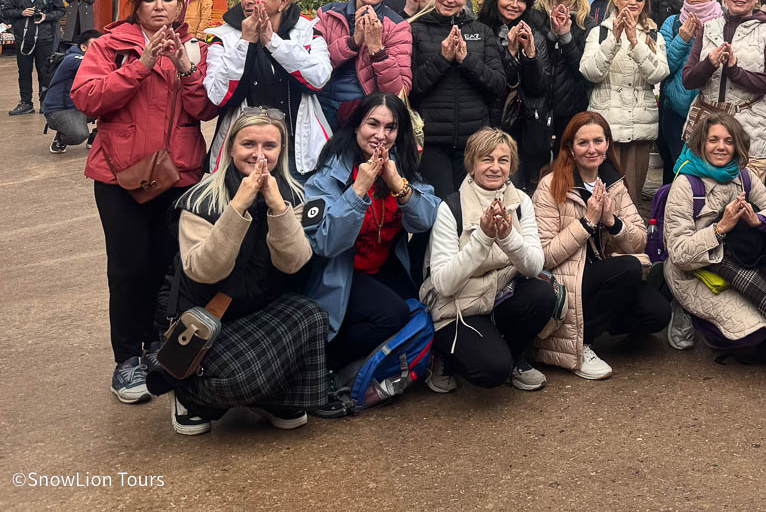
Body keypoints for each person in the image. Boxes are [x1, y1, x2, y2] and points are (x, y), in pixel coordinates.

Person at [70, 0, 217, 404]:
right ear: (136, 4)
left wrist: (186, 68)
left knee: (168, 266)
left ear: (179, 5)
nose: (159, 6)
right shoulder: (110, 46)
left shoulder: (195, 48)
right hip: (120, 175)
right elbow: (88, 98)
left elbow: (205, 109)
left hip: (178, 175)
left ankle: (158, 347)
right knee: (128, 268)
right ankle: (127, 358)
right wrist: (143, 65)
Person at [158, 109, 328, 435]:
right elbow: (205, 271)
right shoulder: (199, 199)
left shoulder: (293, 195)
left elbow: (293, 262)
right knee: (239, 377)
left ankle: (273, 398)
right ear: (231, 147)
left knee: (312, 316)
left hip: (260, 307)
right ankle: (190, 395)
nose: (259, 155)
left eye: (269, 146)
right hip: (207, 315)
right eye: (249, 144)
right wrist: (238, 206)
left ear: (282, 151)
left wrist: (277, 207)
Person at [305, 93, 440, 371]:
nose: (381, 135)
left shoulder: (398, 166)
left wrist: (398, 185)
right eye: (373, 124)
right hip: (342, 272)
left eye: (390, 127)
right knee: (394, 316)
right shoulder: (330, 174)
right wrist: (358, 189)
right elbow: (326, 243)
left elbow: (427, 219)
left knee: (423, 311)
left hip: (383, 266)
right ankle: (327, 361)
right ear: (357, 126)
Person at [533, 112, 669, 380]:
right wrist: (586, 223)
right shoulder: (551, 185)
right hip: (566, 278)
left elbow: (639, 240)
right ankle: (581, 344)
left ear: (607, 145)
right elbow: (544, 256)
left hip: (602, 274)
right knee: (628, 268)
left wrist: (612, 222)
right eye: (583, 143)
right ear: (570, 148)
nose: (592, 149)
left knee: (657, 312)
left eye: (598, 141)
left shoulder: (613, 182)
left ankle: (588, 325)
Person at [421, 126, 553, 392]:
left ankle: (514, 356)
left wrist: (508, 237)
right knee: (492, 370)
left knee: (542, 293)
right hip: (459, 308)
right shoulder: (451, 207)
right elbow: (443, 283)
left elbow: (534, 265)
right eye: (486, 159)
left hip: (498, 298)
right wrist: (482, 238)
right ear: (472, 166)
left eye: (503, 160)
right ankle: (444, 356)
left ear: (512, 166)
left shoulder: (521, 202)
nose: (495, 167)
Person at [663, 113, 766, 355]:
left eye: (728, 141)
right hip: (696, 269)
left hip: (736, 261)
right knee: (754, 337)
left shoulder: (743, 175)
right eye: (713, 140)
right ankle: (694, 317)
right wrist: (719, 229)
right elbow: (679, 253)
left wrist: (758, 220)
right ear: (701, 143)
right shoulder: (685, 184)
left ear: (737, 145)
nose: (721, 147)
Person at [205, 0, 331, 176]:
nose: (248, 0)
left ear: (283, 2)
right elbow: (218, 95)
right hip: (245, 151)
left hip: (296, 150)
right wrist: (245, 43)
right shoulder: (223, 37)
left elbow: (318, 79)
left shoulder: (308, 32)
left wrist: (274, 43)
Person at [407, 0, 508, 199]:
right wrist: (442, 59)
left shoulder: (481, 32)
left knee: (470, 208)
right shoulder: (416, 29)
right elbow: (411, 88)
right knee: (440, 207)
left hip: (474, 141)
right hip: (432, 140)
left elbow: (498, 85)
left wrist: (466, 60)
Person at [682, 0, 766, 181]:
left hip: (750, 131)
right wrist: (709, 64)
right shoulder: (708, 28)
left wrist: (735, 72)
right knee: (700, 194)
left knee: (745, 194)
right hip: (707, 129)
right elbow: (688, 80)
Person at [579, 0, 670, 207]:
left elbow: (658, 74)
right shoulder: (599, 33)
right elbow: (590, 72)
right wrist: (615, 39)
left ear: (644, 3)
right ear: (616, 0)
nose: (632, 1)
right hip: (605, 124)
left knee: (632, 196)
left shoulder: (654, 35)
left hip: (640, 124)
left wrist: (635, 43)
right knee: (602, 194)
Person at [313, 0, 412, 134]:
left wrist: (377, 50)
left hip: (366, 114)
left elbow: (399, 91)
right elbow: (313, 67)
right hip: (320, 107)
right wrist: (353, 42)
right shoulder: (328, 14)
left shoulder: (397, 26)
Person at [478, 0, 548, 183]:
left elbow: (538, 87)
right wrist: (510, 52)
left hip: (520, 124)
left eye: (521, 0)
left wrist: (530, 55)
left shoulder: (535, 34)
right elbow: (492, 83)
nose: (514, 5)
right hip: (486, 119)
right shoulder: (480, 31)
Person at [658, 0, 721, 183]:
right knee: (677, 172)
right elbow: (662, 67)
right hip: (676, 112)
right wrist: (682, 40)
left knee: (708, 173)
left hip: (711, 110)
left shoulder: (722, 22)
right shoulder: (673, 23)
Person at [532, 0, 593, 165]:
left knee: (565, 168)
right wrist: (551, 36)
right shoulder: (535, 16)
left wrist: (566, 38)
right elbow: (535, 61)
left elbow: (584, 72)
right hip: (537, 106)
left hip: (570, 107)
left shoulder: (585, 23)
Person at [2, 0, 66, 114]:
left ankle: (45, 103)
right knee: (24, 72)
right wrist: (21, 13)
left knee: (44, 71)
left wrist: (46, 16)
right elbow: (6, 11)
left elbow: (61, 11)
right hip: (24, 38)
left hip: (44, 37)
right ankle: (26, 103)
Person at [42, 27, 102, 153]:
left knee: (117, 104)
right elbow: (100, 68)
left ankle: (96, 137)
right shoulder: (72, 59)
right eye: (95, 46)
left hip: (80, 106)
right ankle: (60, 139)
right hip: (60, 109)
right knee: (78, 134)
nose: (100, 49)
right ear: (83, 47)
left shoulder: (95, 59)